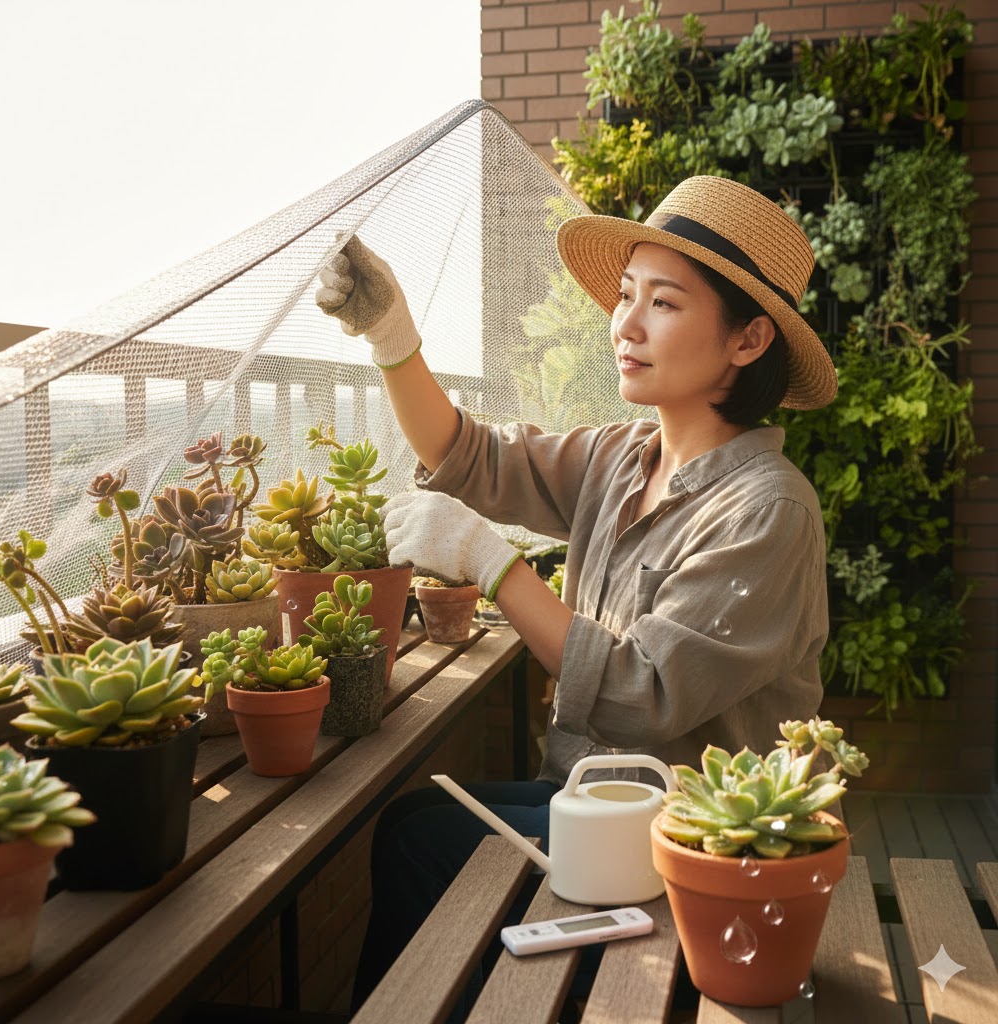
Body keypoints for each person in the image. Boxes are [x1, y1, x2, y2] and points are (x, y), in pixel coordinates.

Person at [315, 174, 837, 1013]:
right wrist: (392, 337)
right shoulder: (622, 457)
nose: (624, 325)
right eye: (625, 295)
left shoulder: (768, 509)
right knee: (410, 827)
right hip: (596, 795)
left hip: (688, 842)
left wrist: (493, 564)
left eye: (662, 303)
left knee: (425, 846)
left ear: (748, 340)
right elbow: (469, 458)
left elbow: (642, 693)